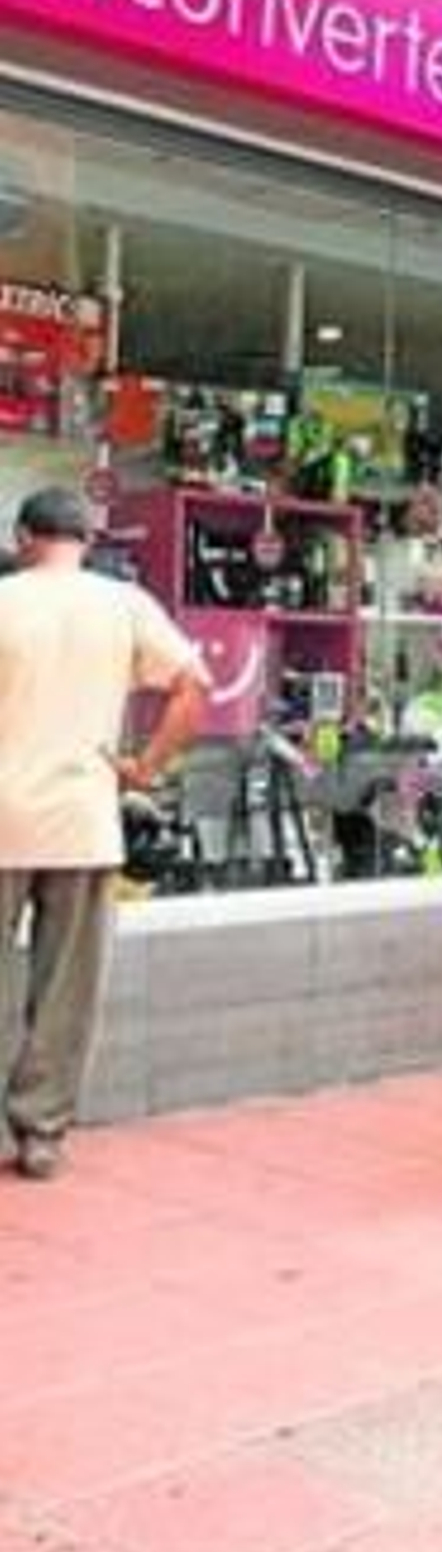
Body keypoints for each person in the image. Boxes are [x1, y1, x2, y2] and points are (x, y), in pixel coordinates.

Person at [0, 485, 210, 1179]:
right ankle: (41, 1133)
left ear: (23, 536)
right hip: (84, 822)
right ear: (87, 539)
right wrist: (143, 767)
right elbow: (193, 686)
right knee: (68, 990)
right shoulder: (123, 604)